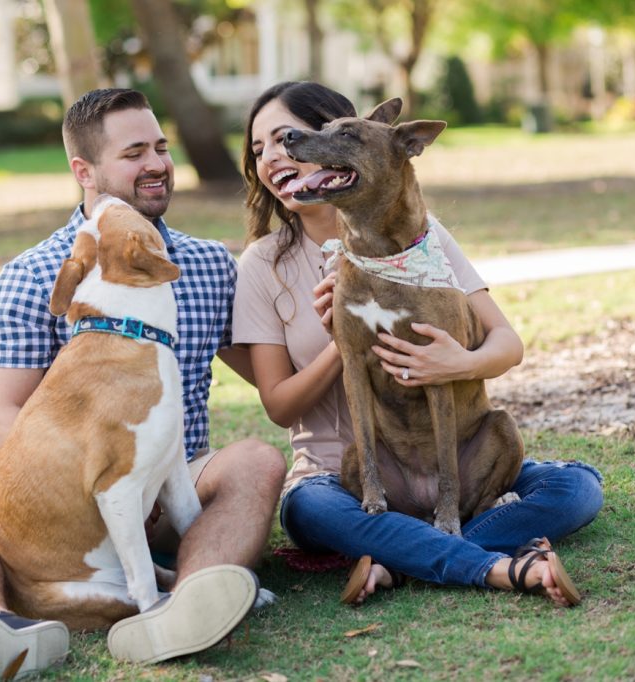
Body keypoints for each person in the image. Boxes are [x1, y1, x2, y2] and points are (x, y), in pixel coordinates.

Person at [0, 88, 286, 681]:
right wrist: (100, 483)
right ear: (83, 171)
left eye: (161, 148)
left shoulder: (209, 265)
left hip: (176, 479)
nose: (157, 164)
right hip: (68, 494)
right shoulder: (36, 275)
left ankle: (188, 603)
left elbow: (274, 386)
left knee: (256, 461)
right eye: (134, 152)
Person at [232, 81, 603, 607]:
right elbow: (279, 405)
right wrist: (349, 334)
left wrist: (460, 361)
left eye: (286, 137)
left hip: (449, 453)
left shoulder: (423, 240)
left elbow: (508, 344)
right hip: (337, 477)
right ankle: (495, 566)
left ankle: (398, 561)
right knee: (311, 512)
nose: (277, 155)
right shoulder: (263, 264)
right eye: (259, 148)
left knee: (578, 487)